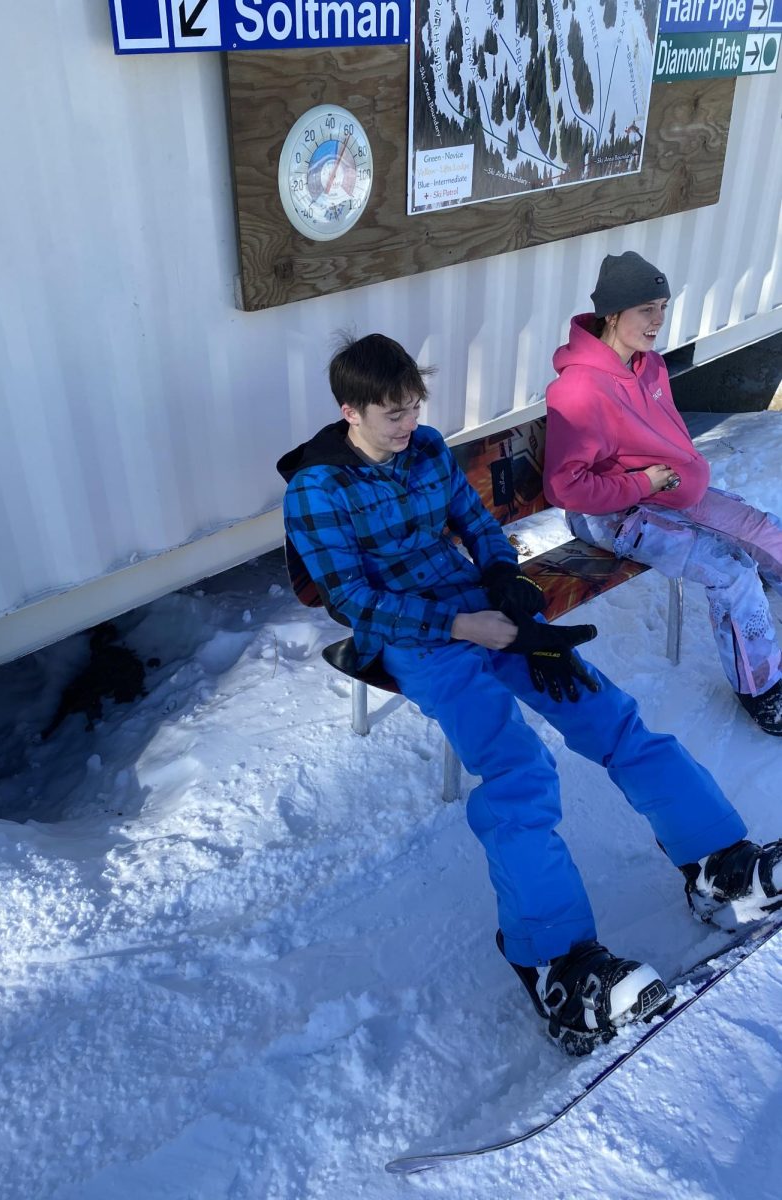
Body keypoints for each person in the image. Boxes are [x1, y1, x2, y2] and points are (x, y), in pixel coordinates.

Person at [277, 331, 782, 1057]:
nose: (409, 424)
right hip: (418, 639)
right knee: (519, 770)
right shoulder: (318, 488)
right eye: (393, 414)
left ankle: (718, 864)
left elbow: (477, 526)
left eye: (415, 407)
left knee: (611, 716)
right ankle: (555, 962)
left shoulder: (422, 452)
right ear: (350, 411)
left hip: (483, 610)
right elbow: (353, 598)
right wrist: (459, 624)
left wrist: (508, 589)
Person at [543, 250, 782, 736]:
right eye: (646, 309)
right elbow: (563, 486)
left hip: (666, 494)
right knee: (730, 569)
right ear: (613, 314)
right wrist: (644, 483)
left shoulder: (647, 366)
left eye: (663, 307)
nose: (658, 321)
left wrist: (674, 477)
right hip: (612, 514)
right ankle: (763, 689)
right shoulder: (579, 390)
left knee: (762, 528)